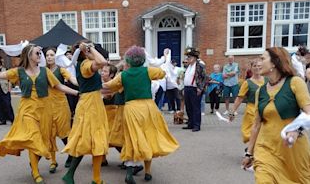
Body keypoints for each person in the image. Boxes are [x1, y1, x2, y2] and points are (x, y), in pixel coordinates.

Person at [0, 44, 79, 184]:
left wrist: (78, 92)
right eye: (37, 53)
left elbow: (59, 86)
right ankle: (36, 173)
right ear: (29, 55)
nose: (40, 55)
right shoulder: (18, 71)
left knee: (41, 140)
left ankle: (35, 164)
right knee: (32, 138)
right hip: (27, 110)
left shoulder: (45, 71)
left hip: (44, 111)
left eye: (40, 53)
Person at [102, 46, 179, 184]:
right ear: (142, 59)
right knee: (148, 138)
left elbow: (109, 86)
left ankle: (130, 172)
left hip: (131, 109)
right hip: (148, 108)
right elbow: (162, 73)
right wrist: (164, 59)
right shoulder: (147, 71)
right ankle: (147, 172)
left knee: (133, 139)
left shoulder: (123, 75)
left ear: (128, 60)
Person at [242, 47, 310, 183]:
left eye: (263, 58)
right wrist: (249, 152)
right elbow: (255, 126)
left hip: (292, 150)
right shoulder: (261, 91)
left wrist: (296, 130)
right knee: (263, 180)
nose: (259, 63)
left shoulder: (295, 82)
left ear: (274, 63)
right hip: (266, 149)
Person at [62, 40, 109, 184]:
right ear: (86, 53)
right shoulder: (86, 65)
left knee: (95, 142)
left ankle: (94, 178)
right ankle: (73, 175)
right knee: (89, 141)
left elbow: (88, 82)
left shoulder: (84, 65)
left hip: (92, 103)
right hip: (89, 106)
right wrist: (89, 48)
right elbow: (102, 62)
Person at [45, 47, 78, 172]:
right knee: (50, 134)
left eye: (52, 55)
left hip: (61, 104)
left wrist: (81, 84)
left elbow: (72, 79)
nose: (49, 57)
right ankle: (53, 162)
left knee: (64, 133)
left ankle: (71, 154)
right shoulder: (42, 71)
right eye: (47, 55)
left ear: (55, 57)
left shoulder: (61, 70)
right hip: (47, 105)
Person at [229, 59, 266, 148]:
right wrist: (232, 111)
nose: (257, 68)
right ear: (251, 68)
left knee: (264, 132)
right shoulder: (247, 83)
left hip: (265, 109)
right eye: (255, 66)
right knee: (253, 131)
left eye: (259, 66)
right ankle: (251, 150)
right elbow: (239, 98)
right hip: (252, 110)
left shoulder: (268, 80)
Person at [182, 48, 207, 132]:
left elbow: (204, 78)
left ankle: (197, 125)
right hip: (187, 88)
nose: (188, 59)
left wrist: (200, 88)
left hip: (195, 89)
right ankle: (191, 123)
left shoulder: (199, 65)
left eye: (189, 57)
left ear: (194, 58)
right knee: (188, 107)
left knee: (195, 107)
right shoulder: (189, 66)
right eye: (187, 57)